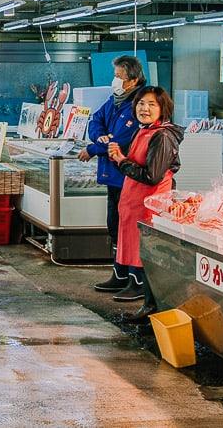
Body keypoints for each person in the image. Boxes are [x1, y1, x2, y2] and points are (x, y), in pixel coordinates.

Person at [108, 86, 183, 322]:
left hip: (150, 207)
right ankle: (147, 306)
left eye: (152, 104)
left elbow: (152, 176)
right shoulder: (144, 131)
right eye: (141, 103)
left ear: (163, 108)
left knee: (150, 259)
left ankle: (151, 309)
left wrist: (121, 160)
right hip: (134, 204)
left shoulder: (163, 136)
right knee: (143, 256)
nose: (145, 108)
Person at [78, 55, 146, 293]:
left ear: (134, 80)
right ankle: (119, 272)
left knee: (129, 227)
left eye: (119, 77)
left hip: (128, 177)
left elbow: (122, 141)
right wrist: (99, 137)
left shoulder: (139, 104)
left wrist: (92, 149)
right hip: (112, 176)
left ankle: (136, 280)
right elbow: (95, 121)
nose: (114, 81)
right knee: (115, 225)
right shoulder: (115, 100)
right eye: (115, 76)